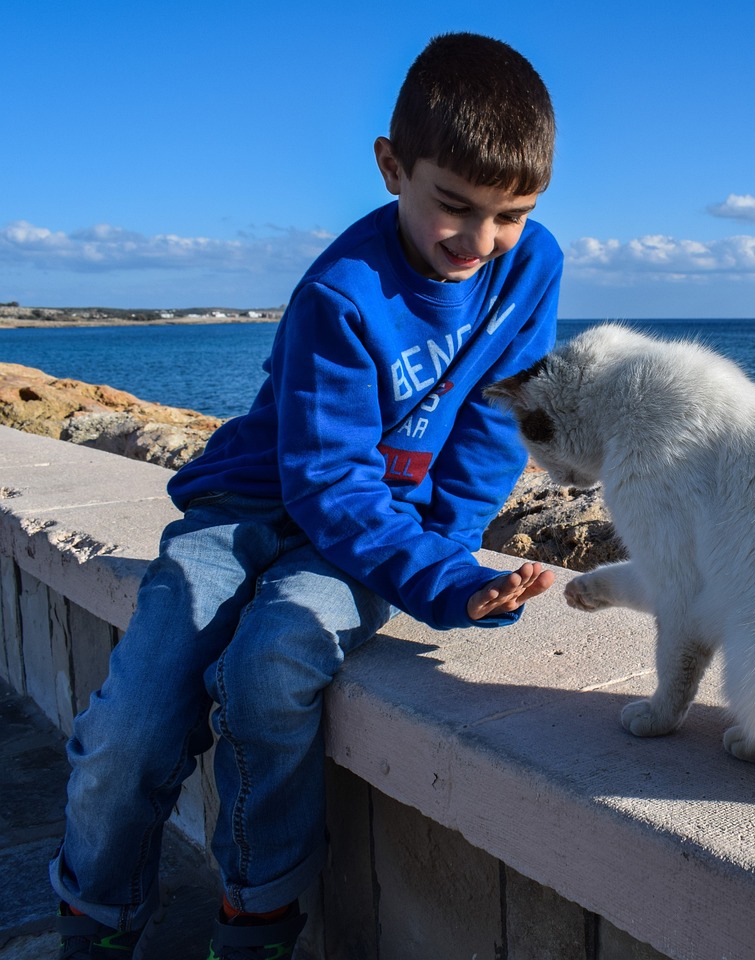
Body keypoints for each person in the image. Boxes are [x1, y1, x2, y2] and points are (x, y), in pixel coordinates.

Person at [50, 32, 560, 960]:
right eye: (454, 207)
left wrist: (448, 555)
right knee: (134, 720)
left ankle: (258, 918)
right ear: (391, 166)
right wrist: (438, 581)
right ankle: (93, 915)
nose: (481, 243)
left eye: (512, 214)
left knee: (272, 661)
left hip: (373, 531)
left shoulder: (528, 269)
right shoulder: (342, 290)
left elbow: (495, 422)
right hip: (253, 510)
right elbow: (323, 481)